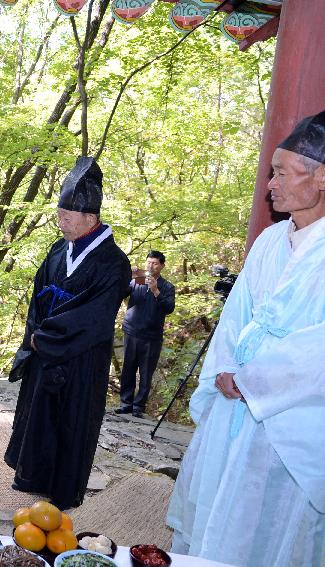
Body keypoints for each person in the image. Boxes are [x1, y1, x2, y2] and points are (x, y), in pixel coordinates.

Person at [167, 111, 325, 566]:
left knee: (273, 526)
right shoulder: (270, 240)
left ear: (321, 178)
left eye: (280, 172)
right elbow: (236, 317)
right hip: (235, 400)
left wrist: (257, 378)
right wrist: (224, 369)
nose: (270, 184)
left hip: (293, 416)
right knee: (217, 509)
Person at [4, 157, 130, 509]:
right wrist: (33, 337)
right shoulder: (59, 250)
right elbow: (37, 297)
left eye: (67, 215)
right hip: (44, 350)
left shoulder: (113, 263)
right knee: (38, 415)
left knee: (70, 423)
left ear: (90, 218)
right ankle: (31, 476)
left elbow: (94, 316)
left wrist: (45, 338)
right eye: (59, 213)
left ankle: (62, 490)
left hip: (80, 358)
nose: (60, 220)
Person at [115, 250, 175, 418]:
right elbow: (120, 293)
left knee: (146, 372)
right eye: (148, 262)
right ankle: (125, 403)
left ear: (162, 266)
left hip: (152, 336)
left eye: (155, 263)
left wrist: (156, 290)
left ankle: (138, 407)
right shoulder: (137, 281)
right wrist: (128, 275)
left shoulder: (167, 287)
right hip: (131, 330)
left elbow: (168, 308)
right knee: (128, 368)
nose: (150, 265)